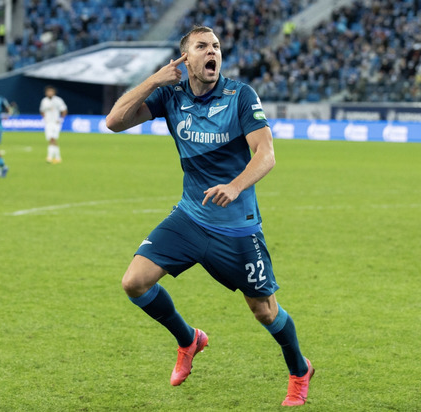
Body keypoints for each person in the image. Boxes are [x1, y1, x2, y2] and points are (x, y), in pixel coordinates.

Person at [106, 26, 314, 406]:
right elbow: (114, 121)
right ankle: (189, 339)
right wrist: (153, 80)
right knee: (134, 282)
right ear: (186, 59)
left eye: (216, 46)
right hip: (189, 218)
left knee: (264, 311)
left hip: (237, 228)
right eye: (202, 46)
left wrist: (235, 186)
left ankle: (300, 369)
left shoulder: (240, 96)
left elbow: (266, 154)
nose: (212, 52)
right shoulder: (170, 96)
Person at [39, 85, 67, 164]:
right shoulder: (44, 101)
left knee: (52, 139)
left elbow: (64, 110)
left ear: (54, 92)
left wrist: (61, 119)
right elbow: (42, 110)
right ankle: (57, 157)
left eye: (51, 91)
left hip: (56, 123)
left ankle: (50, 157)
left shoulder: (58, 100)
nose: (50, 93)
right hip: (48, 123)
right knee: (51, 139)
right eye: (48, 91)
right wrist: (44, 118)